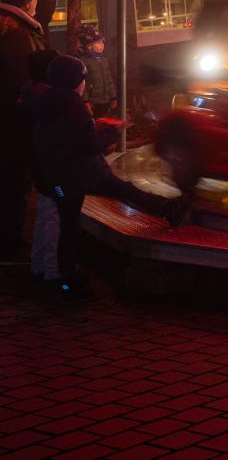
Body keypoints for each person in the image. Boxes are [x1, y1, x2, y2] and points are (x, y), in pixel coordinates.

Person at [31, 55, 182, 296]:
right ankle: (64, 279)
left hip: (60, 177)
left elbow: (63, 140)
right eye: (83, 79)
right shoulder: (73, 106)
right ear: (75, 81)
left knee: (75, 217)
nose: (85, 84)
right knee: (70, 225)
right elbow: (88, 146)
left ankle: (48, 272)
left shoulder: (46, 102)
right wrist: (113, 131)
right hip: (77, 176)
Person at [0, 0, 46, 257]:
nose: (38, 0)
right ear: (27, 1)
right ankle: (8, 244)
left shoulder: (9, 28)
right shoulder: (18, 36)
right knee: (14, 182)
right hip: (12, 125)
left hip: (8, 122)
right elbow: (24, 84)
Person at [23, 49, 60, 285]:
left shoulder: (30, 93)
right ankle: (54, 272)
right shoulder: (48, 100)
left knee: (45, 215)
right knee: (56, 216)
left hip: (40, 169)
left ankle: (38, 266)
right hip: (53, 173)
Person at [77, 24, 116, 117]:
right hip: (93, 102)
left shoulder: (103, 60)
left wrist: (113, 96)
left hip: (106, 100)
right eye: (98, 43)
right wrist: (85, 101)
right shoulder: (83, 61)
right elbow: (82, 83)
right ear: (89, 45)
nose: (102, 45)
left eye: (102, 42)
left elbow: (109, 79)